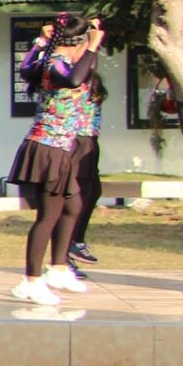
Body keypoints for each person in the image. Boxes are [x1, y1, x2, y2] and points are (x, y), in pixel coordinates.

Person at [8, 14, 104, 304]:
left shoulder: (52, 60)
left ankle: (59, 267)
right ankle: (30, 280)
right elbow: (75, 78)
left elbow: (28, 69)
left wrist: (42, 42)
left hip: (62, 147)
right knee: (47, 216)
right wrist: (93, 45)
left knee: (73, 205)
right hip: (48, 146)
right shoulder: (55, 64)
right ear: (78, 44)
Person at [69, 73, 107, 265]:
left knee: (92, 193)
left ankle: (76, 241)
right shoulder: (74, 82)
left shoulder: (93, 82)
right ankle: (68, 246)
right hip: (78, 140)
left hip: (90, 141)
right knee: (78, 196)